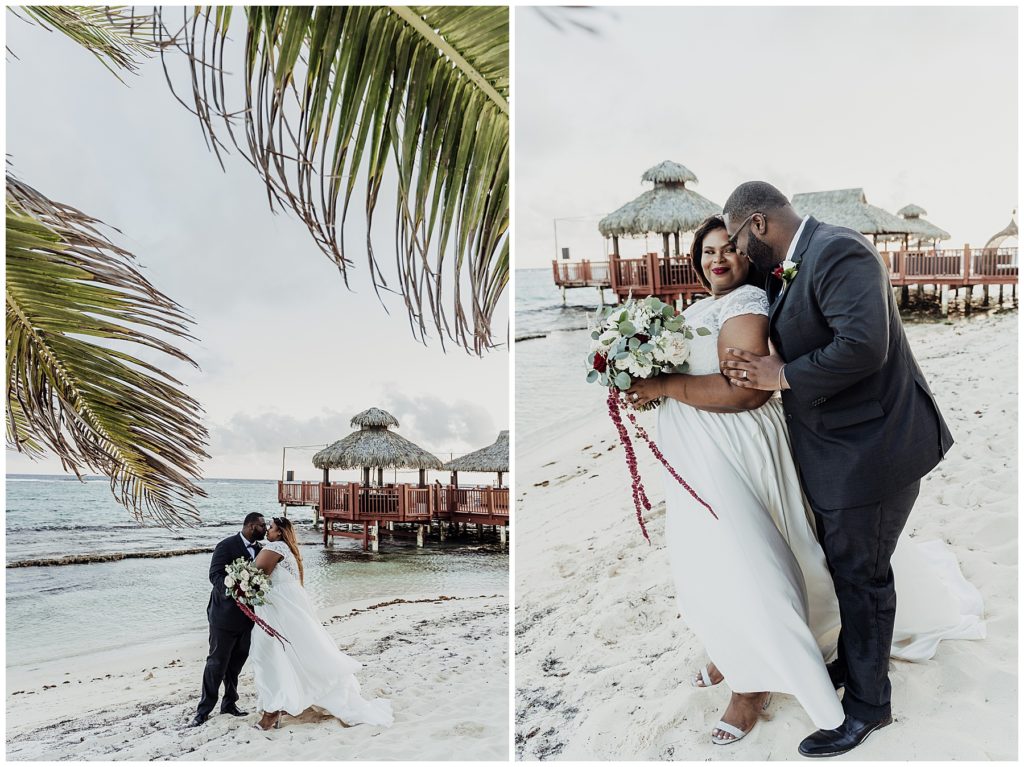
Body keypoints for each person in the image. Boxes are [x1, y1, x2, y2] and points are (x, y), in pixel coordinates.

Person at [627, 212, 982, 754]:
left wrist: (666, 384)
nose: (718, 259)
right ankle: (744, 647)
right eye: (706, 253)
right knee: (725, 559)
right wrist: (639, 378)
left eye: (730, 247)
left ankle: (819, 695)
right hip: (701, 458)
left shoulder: (758, 298)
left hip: (749, 450)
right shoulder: (702, 306)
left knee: (768, 560)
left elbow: (748, 389)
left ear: (753, 242)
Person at [718, 181, 957, 757]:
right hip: (841, 448)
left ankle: (870, 709)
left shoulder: (837, 251)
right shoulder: (794, 263)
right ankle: (853, 666)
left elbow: (863, 345)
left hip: (874, 448)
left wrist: (783, 375)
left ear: (756, 224)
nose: (738, 253)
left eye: (736, 240)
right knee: (850, 566)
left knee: (863, 577)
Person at [248, 517, 394, 731]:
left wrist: (239, 583)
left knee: (266, 655)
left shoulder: (276, 546)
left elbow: (257, 576)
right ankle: (281, 704)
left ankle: (273, 710)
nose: (268, 531)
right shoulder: (288, 549)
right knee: (285, 655)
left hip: (279, 610)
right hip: (284, 607)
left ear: (279, 533)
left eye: (271, 528)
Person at [190, 512, 267, 727]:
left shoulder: (261, 550)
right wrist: (234, 588)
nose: (265, 529)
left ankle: (229, 703)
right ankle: (204, 710)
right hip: (223, 616)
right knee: (216, 663)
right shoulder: (226, 546)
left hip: (248, 619)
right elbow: (214, 575)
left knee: (236, 664)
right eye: (262, 526)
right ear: (252, 526)